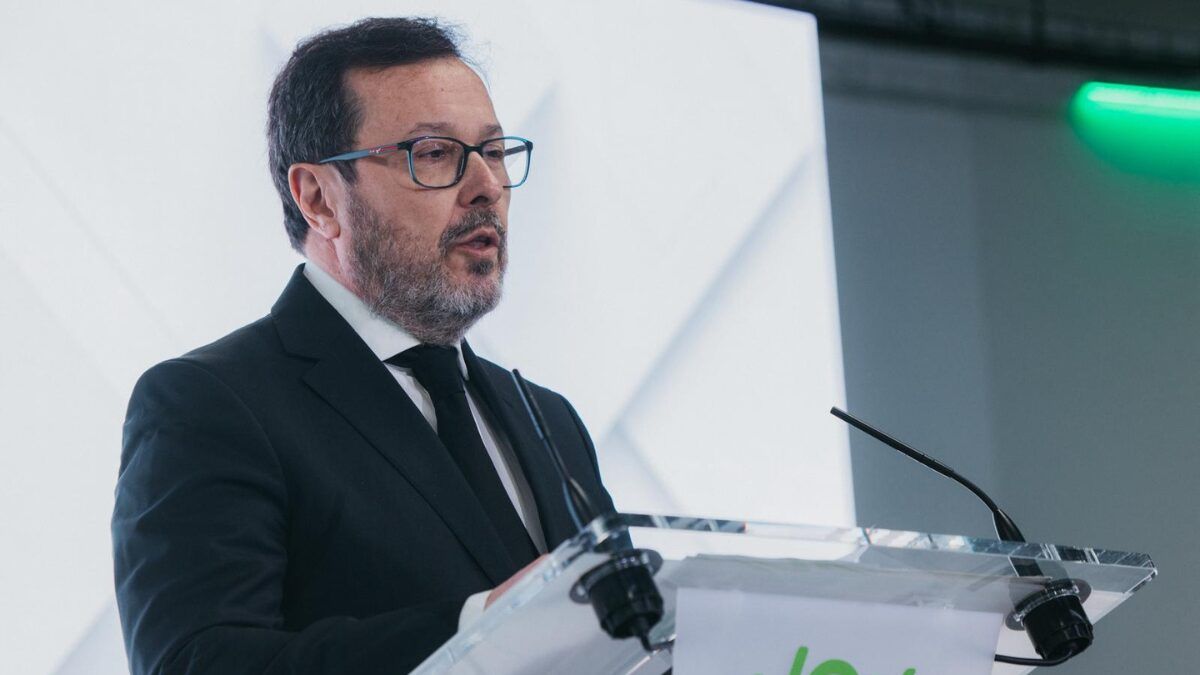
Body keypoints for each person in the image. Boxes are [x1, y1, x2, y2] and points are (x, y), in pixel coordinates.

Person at [112, 17, 614, 675]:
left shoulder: (549, 418)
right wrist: (478, 629)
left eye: (494, 152)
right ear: (318, 198)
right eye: (433, 153)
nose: (487, 185)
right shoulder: (209, 404)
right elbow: (197, 661)